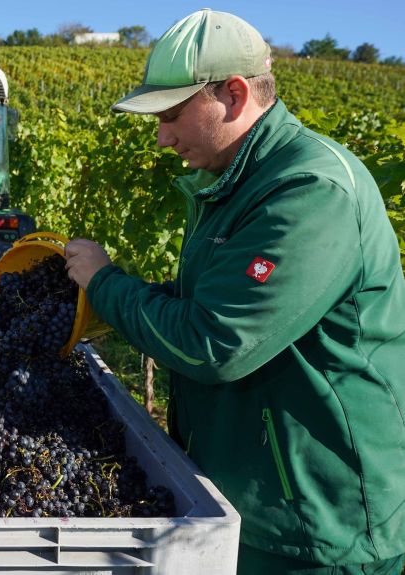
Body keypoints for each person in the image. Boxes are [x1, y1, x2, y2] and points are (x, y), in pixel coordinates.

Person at [64, 9, 405, 575]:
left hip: (317, 523)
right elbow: (208, 301)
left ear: (235, 93)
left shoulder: (306, 192)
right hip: (251, 494)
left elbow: (215, 343)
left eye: (172, 115)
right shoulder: (237, 180)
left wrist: (105, 284)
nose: (162, 136)